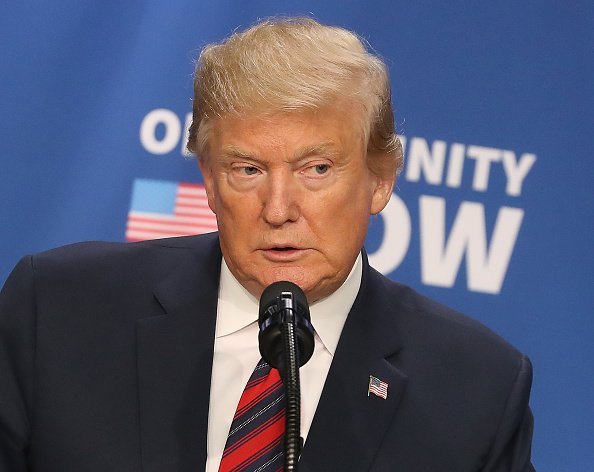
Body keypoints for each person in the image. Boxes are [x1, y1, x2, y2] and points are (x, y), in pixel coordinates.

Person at [0, 17, 535, 472]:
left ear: (381, 179)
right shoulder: (58, 310)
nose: (278, 209)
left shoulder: (477, 391)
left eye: (316, 169)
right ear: (209, 180)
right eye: (248, 169)